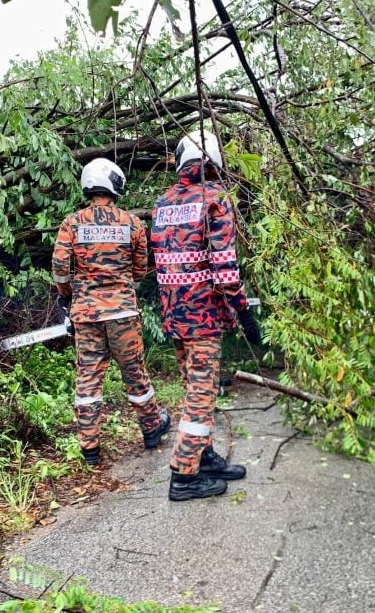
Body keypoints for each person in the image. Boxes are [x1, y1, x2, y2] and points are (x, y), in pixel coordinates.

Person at [151, 128, 262, 501]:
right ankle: (184, 476)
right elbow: (225, 266)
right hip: (203, 316)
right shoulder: (215, 199)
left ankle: (204, 456)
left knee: (193, 386)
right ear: (214, 161)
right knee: (201, 393)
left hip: (174, 314)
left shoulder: (164, 202)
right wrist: (243, 311)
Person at [52, 158, 170, 466]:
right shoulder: (132, 223)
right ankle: (151, 429)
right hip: (122, 314)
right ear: (115, 185)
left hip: (86, 315)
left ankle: (89, 448)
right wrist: (122, 289)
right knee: (135, 373)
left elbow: (60, 270)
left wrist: (68, 296)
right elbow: (140, 270)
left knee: (88, 378)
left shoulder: (71, 223)